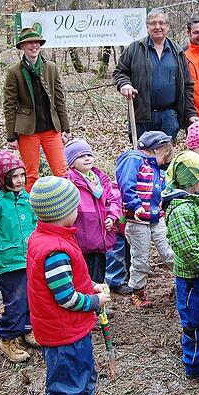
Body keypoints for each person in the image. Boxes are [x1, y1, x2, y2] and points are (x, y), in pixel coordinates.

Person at [27, 176, 111, 395]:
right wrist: (94, 302)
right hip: (62, 334)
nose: (78, 210)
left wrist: (92, 285)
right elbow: (66, 297)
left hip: (72, 329)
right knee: (66, 383)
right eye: (75, 206)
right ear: (62, 212)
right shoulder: (54, 250)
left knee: (84, 372)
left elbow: (71, 278)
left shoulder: (55, 237)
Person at [0, 150, 38, 363]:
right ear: (3, 178)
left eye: (22, 175)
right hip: (8, 262)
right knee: (14, 301)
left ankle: (28, 329)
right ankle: (7, 339)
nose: (20, 180)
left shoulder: (25, 198)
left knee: (32, 297)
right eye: (14, 176)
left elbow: (34, 224)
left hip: (28, 257)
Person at [164, 151, 199, 381]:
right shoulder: (181, 209)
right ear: (188, 180)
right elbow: (188, 247)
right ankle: (194, 364)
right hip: (191, 278)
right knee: (193, 322)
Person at [3, 27, 71, 192]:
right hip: (28, 131)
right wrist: (11, 136)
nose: (34, 46)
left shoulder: (51, 67)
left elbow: (59, 99)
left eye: (36, 42)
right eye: (29, 43)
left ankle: (67, 212)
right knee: (30, 175)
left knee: (62, 173)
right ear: (22, 46)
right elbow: (9, 105)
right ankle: (31, 214)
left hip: (51, 129)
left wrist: (66, 127)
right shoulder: (14, 72)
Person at [113, 9, 197, 142]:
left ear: (167, 26)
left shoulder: (178, 52)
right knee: (143, 158)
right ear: (147, 27)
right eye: (153, 23)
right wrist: (125, 84)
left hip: (169, 116)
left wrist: (190, 113)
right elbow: (120, 71)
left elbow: (187, 86)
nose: (157, 27)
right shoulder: (135, 49)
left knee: (165, 159)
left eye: (161, 23)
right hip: (142, 115)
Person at [115, 131, 176, 307]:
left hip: (156, 217)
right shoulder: (133, 159)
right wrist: (134, 204)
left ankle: (185, 280)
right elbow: (126, 183)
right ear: (156, 150)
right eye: (165, 156)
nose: (166, 161)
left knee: (169, 250)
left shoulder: (155, 168)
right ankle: (137, 290)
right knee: (141, 257)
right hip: (137, 219)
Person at [64, 139, 121, 285]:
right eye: (81, 156)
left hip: (101, 238)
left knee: (99, 276)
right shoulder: (69, 183)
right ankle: (90, 304)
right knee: (85, 278)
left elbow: (113, 200)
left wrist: (111, 216)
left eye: (88, 154)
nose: (87, 158)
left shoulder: (101, 179)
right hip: (83, 241)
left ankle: (99, 305)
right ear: (71, 162)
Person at [104, 180, 134, 295]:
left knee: (130, 251)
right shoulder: (115, 193)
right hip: (116, 229)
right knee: (116, 253)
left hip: (130, 228)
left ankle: (130, 273)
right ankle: (116, 281)